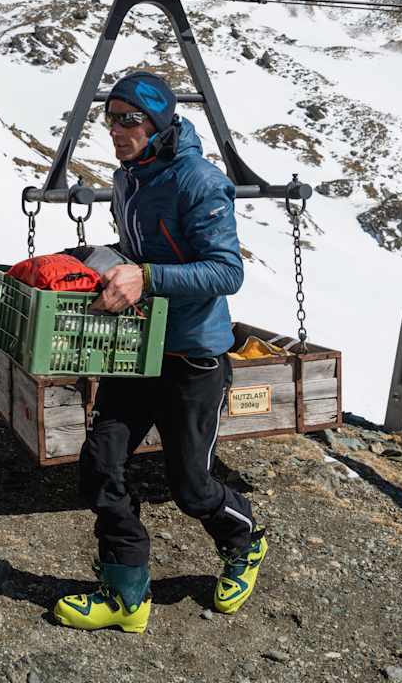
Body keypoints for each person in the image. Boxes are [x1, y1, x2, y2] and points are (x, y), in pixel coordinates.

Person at [53, 71, 266, 634]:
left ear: (158, 122)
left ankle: (245, 543)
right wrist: (97, 260)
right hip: (137, 347)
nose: (116, 130)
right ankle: (126, 593)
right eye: (111, 117)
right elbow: (138, 249)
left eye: (130, 119)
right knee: (102, 461)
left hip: (193, 355)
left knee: (191, 486)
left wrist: (144, 277)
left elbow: (227, 270)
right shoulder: (129, 178)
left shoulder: (198, 180)